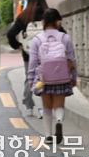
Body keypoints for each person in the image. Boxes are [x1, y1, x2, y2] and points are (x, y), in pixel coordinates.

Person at [28, 8, 77, 144]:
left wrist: (31, 79)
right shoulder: (65, 37)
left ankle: (48, 136)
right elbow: (72, 59)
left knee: (46, 106)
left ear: (43, 22)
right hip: (62, 76)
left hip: (43, 77)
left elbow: (32, 62)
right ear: (58, 22)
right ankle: (59, 121)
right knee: (59, 105)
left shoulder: (37, 39)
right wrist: (74, 76)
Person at [7, 0, 48, 118]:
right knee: (44, 78)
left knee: (29, 78)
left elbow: (10, 34)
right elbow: (62, 32)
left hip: (28, 53)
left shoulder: (24, 16)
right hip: (46, 53)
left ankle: (28, 106)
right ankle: (42, 108)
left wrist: (17, 46)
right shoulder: (49, 15)